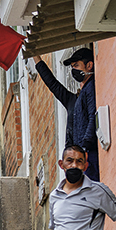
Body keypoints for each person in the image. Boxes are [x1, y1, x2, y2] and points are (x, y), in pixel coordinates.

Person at [34, 48, 99, 181]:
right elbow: (52, 84)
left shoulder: (92, 88)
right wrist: (35, 57)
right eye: (72, 67)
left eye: (76, 65)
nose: (73, 70)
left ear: (89, 65)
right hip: (77, 162)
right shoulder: (72, 101)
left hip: (88, 158)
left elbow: (93, 117)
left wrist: (85, 148)